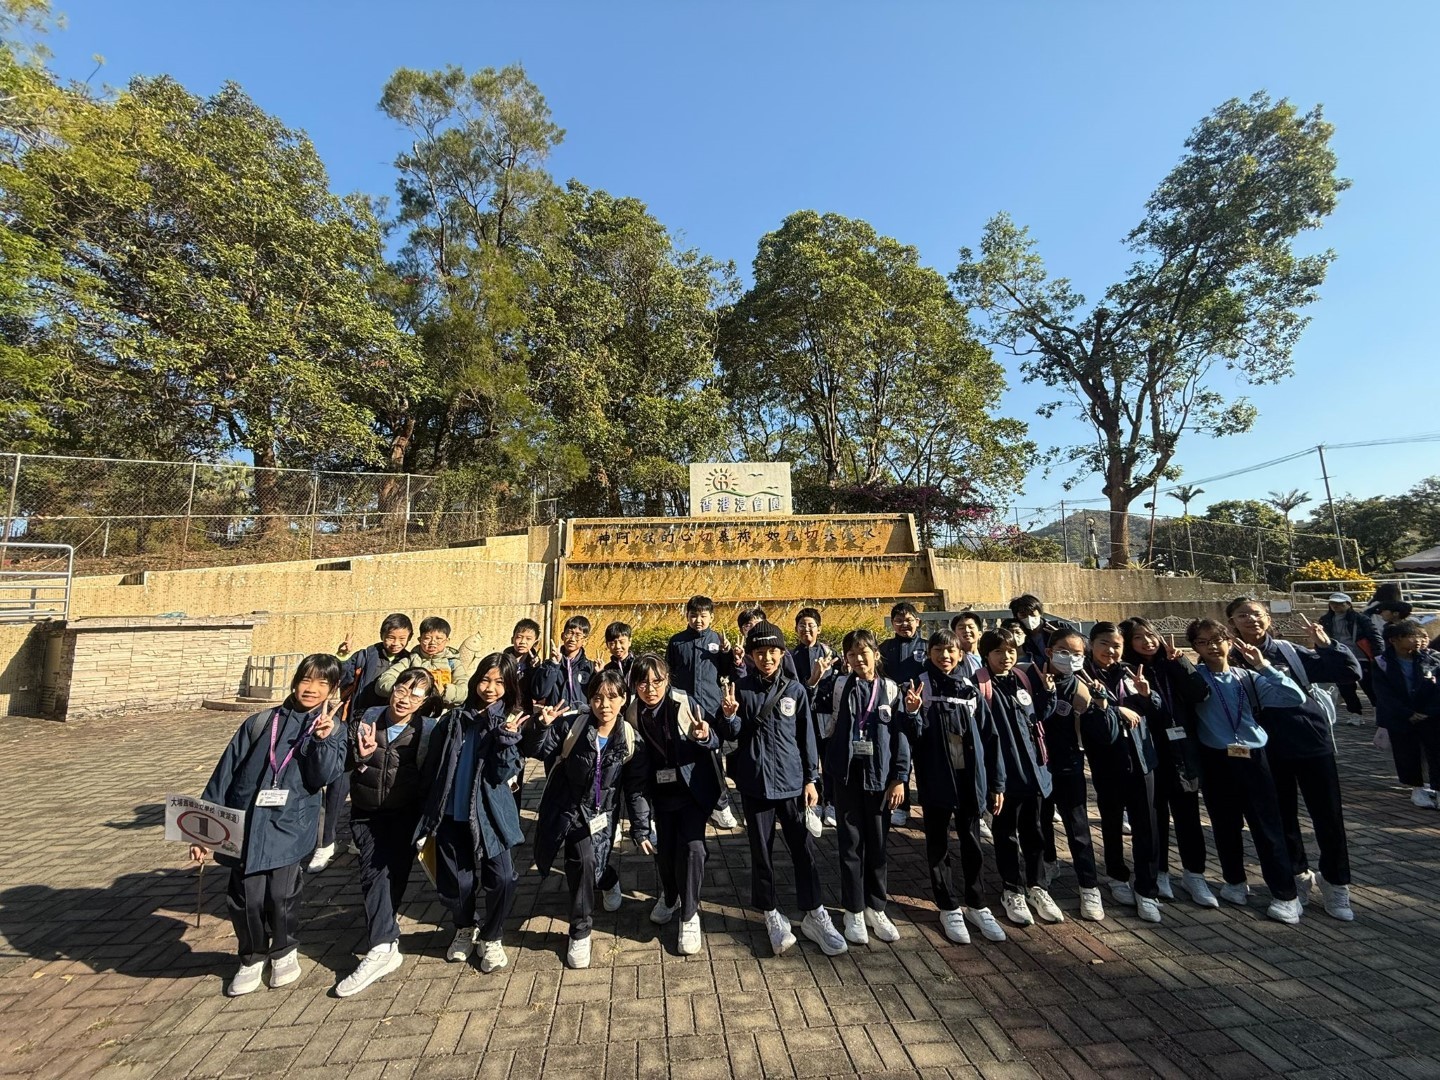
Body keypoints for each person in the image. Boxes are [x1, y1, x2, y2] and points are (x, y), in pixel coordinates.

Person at [189, 654, 346, 996]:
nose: (312, 688)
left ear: (333, 689)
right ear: (295, 681)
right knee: (245, 898)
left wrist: (322, 740)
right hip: (245, 823)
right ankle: (251, 956)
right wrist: (204, 831)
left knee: (281, 894)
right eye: (306, 679)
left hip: (289, 825)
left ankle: (284, 950)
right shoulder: (260, 722)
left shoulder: (333, 729)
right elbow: (224, 774)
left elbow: (324, 776)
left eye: (322, 683)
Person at [1227, 597, 1361, 921]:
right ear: (1231, 622)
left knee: (1328, 817)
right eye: (1242, 615)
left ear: (1268, 619)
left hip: (1310, 741)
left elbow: (1349, 672)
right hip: (1265, 749)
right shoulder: (1227, 657)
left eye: (1257, 614)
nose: (1251, 620)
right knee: (1281, 818)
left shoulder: (1288, 651)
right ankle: (1297, 877)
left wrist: (1328, 646)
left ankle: (1336, 883)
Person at [719, 619, 846, 957]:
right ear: (750, 655)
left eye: (772, 651)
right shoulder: (740, 689)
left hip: (792, 783)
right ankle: (771, 913)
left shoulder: (795, 690)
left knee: (803, 849)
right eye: (760, 652)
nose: (767, 658)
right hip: (756, 784)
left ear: (781, 652)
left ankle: (815, 912)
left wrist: (811, 779)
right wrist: (729, 716)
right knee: (762, 853)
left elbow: (807, 738)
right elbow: (731, 734)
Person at [523, 669, 652, 969]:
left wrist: (641, 828)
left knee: (590, 866)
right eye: (597, 698)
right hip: (567, 808)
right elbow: (535, 750)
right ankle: (580, 931)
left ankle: (608, 880)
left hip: (601, 813)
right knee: (581, 863)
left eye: (612, 697)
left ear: (624, 699)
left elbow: (636, 790)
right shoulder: (573, 725)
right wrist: (540, 726)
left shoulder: (631, 739)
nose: (604, 705)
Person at [1185, 618, 1305, 924]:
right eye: (1202, 642)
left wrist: (1263, 666)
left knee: (1267, 826)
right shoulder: (1194, 678)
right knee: (1225, 825)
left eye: (1217, 640)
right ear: (1195, 647)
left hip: (1253, 756)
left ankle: (1286, 895)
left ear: (1229, 641)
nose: (1212, 647)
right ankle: (1234, 881)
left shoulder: (1247, 677)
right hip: (1215, 758)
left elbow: (1294, 697)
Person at [414, 653, 527, 973]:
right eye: (486, 679)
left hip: (491, 815)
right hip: (450, 814)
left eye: (500, 682)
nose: (490, 688)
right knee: (456, 882)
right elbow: (432, 767)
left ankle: (492, 936)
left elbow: (503, 773)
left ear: (509, 686)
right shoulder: (453, 720)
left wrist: (506, 740)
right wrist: (426, 810)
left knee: (503, 878)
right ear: (476, 679)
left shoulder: (508, 722)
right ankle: (465, 927)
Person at [898, 629, 1007, 944]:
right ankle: (947, 906)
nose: (944, 656)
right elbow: (910, 737)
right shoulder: (919, 686)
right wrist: (913, 712)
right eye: (938, 650)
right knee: (938, 844)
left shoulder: (970, 689)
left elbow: (990, 737)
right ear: (929, 652)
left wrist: (997, 783)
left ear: (960, 654)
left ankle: (977, 903)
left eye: (951, 651)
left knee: (972, 842)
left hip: (969, 779)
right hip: (936, 779)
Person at [336, 668, 439, 996]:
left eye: (416, 695)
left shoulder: (427, 730)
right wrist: (359, 754)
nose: (405, 699)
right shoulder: (366, 718)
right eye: (401, 690)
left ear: (424, 701)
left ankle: (386, 934)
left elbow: (432, 776)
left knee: (394, 875)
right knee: (373, 872)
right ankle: (381, 946)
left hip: (406, 815)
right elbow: (340, 762)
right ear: (392, 689)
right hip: (367, 814)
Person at [815, 629, 908, 946]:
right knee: (851, 845)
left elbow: (900, 737)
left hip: (880, 778)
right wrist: (815, 680)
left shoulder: (891, 690)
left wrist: (899, 777)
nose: (857, 659)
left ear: (876, 654)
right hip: (847, 777)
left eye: (863, 652)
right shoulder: (839, 685)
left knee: (878, 847)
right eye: (851, 654)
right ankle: (853, 910)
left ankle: (875, 908)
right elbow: (813, 711)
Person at [628, 654, 721, 954]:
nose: (651, 689)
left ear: (667, 679)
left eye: (657, 681)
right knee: (665, 853)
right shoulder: (632, 714)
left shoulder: (684, 703)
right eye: (643, 683)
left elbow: (715, 739)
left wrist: (704, 735)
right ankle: (670, 896)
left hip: (692, 790)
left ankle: (689, 914)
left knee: (693, 849)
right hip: (660, 794)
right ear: (635, 685)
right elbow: (635, 774)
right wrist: (640, 825)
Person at [1120, 618, 1217, 908]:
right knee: (1155, 816)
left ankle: (1194, 874)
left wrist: (1181, 663)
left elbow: (1200, 693)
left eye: (1151, 635)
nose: (1147, 642)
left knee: (1188, 815)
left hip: (1182, 748)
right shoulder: (1126, 670)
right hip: (1150, 749)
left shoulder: (1172, 663)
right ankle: (1160, 872)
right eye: (1139, 637)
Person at [310, 613, 415, 873]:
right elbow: (342, 676)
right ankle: (326, 842)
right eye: (390, 637)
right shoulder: (367, 655)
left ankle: (359, 838)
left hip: (386, 733)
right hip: (354, 726)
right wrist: (343, 655)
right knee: (338, 784)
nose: (395, 643)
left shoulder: (410, 660)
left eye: (402, 638)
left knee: (371, 786)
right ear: (382, 636)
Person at [972, 630, 1063, 927]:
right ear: (986, 654)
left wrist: (1048, 692)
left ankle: (1038, 887)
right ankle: (1012, 889)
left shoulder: (1023, 678)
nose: (1006, 657)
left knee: (1035, 832)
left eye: (1010, 650)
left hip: (1034, 773)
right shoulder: (979, 685)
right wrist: (993, 783)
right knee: (1006, 834)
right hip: (1005, 776)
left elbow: (1037, 718)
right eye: (998, 651)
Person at [1082, 622, 1163, 923]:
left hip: (1141, 757)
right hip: (1107, 759)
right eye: (1104, 643)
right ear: (1091, 645)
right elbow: (1086, 713)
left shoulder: (1131, 672)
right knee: (1112, 820)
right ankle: (1117, 876)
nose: (1111, 650)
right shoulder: (1083, 675)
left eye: (1116, 645)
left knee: (1147, 825)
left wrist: (1148, 696)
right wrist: (1116, 709)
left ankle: (1147, 889)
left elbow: (1157, 709)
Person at [1036, 628, 1109, 921]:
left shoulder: (1084, 686)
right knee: (1041, 821)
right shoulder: (1031, 678)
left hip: (1069, 763)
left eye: (1077, 654)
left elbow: (1100, 733)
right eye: (1064, 652)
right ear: (1049, 652)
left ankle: (1089, 886)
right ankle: (1048, 863)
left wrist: (1101, 706)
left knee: (1078, 827)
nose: (1070, 658)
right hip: (1039, 763)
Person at [666, 596, 739, 829]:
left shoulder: (718, 641)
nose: (698, 620)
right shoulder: (677, 642)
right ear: (687, 616)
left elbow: (728, 671)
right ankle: (689, 800)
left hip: (711, 709)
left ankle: (721, 805)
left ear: (711, 617)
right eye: (694, 615)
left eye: (703, 616)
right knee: (684, 755)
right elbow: (669, 674)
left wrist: (729, 654)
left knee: (713, 758)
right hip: (684, 709)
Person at [1370, 619, 1440, 808]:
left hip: (1430, 715)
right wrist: (1406, 713)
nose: (1418, 641)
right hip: (1401, 717)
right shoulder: (1382, 663)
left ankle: (1438, 789)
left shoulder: (1432, 658)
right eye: (1411, 636)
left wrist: (1429, 711)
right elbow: (1384, 694)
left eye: (1420, 636)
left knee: (1436, 751)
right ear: (1394, 640)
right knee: (1407, 753)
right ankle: (1417, 789)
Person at [880, 603, 928, 827]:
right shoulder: (885, 648)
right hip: (894, 709)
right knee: (900, 756)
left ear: (918, 621)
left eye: (908, 620)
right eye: (898, 621)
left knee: (925, 758)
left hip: (922, 709)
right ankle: (901, 805)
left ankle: (929, 803)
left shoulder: (928, 647)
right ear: (892, 624)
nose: (903, 624)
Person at [792, 608, 840, 825]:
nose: (806, 629)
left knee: (829, 759)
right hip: (803, 716)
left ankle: (832, 802)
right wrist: (812, 680)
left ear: (819, 629)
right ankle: (814, 800)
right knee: (807, 758)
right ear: (796, 629)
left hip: (826, 716)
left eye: (811, 625)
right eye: (802, 625)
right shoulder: (790, 657)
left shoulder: (831, 654)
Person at [376, 616, 466, 709]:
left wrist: (444, 691)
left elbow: (464, 691)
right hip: (413, 711)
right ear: (420, 639)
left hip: (442, 713)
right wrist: (407, 690)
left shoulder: (453, 663)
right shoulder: (410, 660)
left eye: (439, 638)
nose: (432, 643)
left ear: (447, 640)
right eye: (427, 638)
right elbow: (383, 683)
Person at [1319, 593, 1381, 722]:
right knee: (1345, 688)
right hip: (1338, 657)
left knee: (1368, 685)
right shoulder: (1325, 620)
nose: (1336, 606)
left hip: (1360, 656)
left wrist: (1378, 655)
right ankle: (1355, 713)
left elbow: (1374, 636)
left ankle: (1378, 710)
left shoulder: (1360, 618)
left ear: (1348, 604)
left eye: (1340, 603)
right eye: (1333, 603)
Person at [532, 616, 599, 716]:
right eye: (570, 633)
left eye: (578, 635)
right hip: (554, 718)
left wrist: (599, 674)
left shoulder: (590, 667)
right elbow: (539, 694)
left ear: (585, 641)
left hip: (580, 719)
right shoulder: (548, 665)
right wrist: (554, 665)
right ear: (563, 636)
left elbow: (596, 697)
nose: (572, 639)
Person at [1009, 595, 1074, 670]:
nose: (1029, 618)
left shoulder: (1060, 626)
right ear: (1016, 616)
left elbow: (1083, 643)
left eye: (1032, 613)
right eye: (1023, 614)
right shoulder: (1019, 634)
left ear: (1039, 612)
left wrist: (1064, 637)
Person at [603, 621, 636, 686]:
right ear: (607, 645)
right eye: (612, 643)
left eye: (621, 642)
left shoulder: (639, 664)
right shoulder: (608, 669)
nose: (618, 646)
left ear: (629, 641)